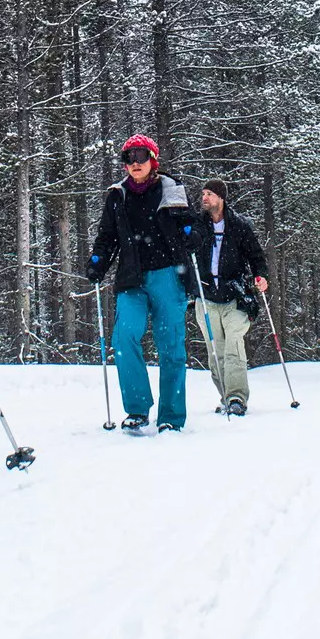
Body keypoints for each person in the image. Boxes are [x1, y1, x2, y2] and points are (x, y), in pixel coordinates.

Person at [87, 134, 199, 432]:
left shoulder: (170, 188)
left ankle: (171, 418)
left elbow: (189, 223)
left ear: (152, 159)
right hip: (131, 277)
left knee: (170, 345)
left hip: (168, 275)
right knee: (124, 339)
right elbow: (107, 237)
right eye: (129, 158)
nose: (134, 163)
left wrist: (191, 231)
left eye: (140, 156)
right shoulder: (117, 195)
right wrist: (98, 262)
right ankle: (137, 409)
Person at [188, 179, 270, 416]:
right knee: (216, 351)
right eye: (203, 193)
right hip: (206, 296)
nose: (204, 198)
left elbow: (256, 257)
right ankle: (225, 396)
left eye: (210, 194)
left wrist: (260, 276)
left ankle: (237, 398)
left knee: (234, 345)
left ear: (221, 198)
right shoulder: (197, 226)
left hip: (234, 295)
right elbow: (185, 253)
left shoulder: (239, 226)